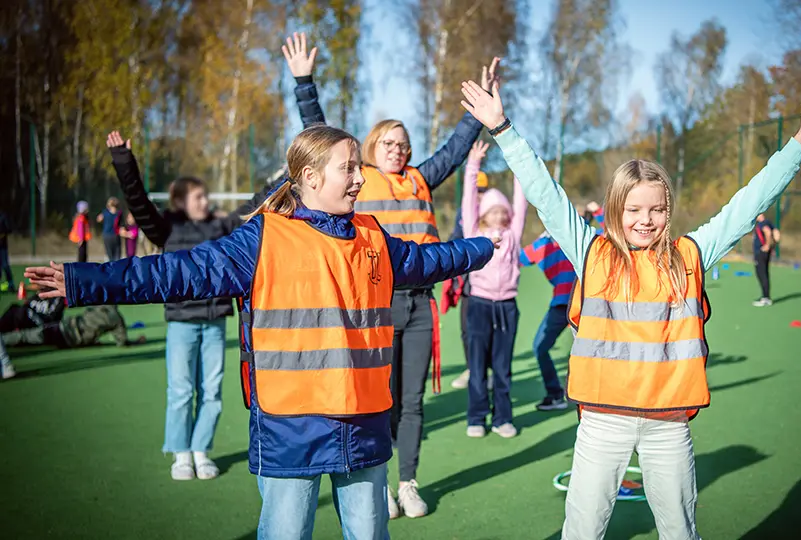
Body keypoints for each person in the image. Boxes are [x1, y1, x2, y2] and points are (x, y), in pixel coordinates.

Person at [26, 123, 494, 540]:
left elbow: (429, 260)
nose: (359, 178)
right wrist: (81, 281)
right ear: (311, 177)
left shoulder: (373, 236)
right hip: (292, 427)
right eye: (348, 169)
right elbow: (172, 272)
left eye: (358, 168)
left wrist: (481, 247)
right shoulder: (263, 238)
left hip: (366, 424)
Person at [461, 74, 801, 539]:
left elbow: (745, 205)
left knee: (679, 531)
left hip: (668, 428)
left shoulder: (689, 256)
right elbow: (545, 192)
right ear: (616, 210)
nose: (645, 220)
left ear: (668, 211)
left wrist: (798, 145)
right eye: (634, 210)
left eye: (656, 210)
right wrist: (502, 129)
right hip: (602, 424)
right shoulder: (592, 251)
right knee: (581, 532)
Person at [282, 32, 496, 518]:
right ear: (372, 148)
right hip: (373, 304)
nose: (397, 150)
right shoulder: (357, 178)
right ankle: (376, 484)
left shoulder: (421, 177)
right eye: (388, 143)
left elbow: (457, 146)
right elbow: (318, 134)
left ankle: (408, 482)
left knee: (414, 400)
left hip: (420, 303)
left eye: (403, 144)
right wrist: (303, 82)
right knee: (381, 400)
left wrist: (478, 113)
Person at [106, 129, 269, 481]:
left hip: (214, 324)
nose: (205, 201)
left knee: (211, 391)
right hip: (181, 323)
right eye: (198, 197)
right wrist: (124, 161)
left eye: (205, 196)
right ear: (180, 201)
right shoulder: (166, 229)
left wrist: (288, 174)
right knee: (181, 390)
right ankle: (181, 454)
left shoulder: (222, 227)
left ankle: (201, 451)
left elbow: (255, 204)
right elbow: (138, 202)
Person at [461, 140, 527, 438]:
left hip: (507, 307)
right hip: (479, 305)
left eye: (504, 211)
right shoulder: (473, 232)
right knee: (477, 367)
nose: (500, 215)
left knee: (502, 368)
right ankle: (476, 417)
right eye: (494, 211)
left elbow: (521, 201)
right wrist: (473, 166)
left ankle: (502, 418)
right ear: (483, 213)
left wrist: (518, 168)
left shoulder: (513, 235)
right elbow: (467, 202)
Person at [519, 202, 604, 412]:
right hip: (561, 305)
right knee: (540, 347)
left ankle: (598, 399)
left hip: (588, 306)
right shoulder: (552, 239)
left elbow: (615, 235)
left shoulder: (592, 238)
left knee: (594, 353)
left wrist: (598, 212)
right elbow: (523, 257)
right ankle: (555, 394)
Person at [449, 169, 490, 391]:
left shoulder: (494, 211)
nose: (479, 195)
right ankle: (472, 368)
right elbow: (455, 237)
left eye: (482, 191)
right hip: (467, 282)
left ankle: (487, 370)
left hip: (489, 283)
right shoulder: (462, 212)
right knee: (466, 329)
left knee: (488, 331)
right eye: (475, 190)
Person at [2, 305, 146, 349]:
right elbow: (122, 343)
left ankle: (3, 341)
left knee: (27, 336)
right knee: (28, 338)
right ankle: (3, 342)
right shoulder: (117, 319)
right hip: (71, 338)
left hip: (63, 325)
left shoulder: (98, 305)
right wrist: (137, 342)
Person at [0, 289, 66, 333]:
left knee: (23, 311)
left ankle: (14, 330)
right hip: (30, 318)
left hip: (43, 322)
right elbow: (26, 304)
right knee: (14, 308)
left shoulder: (57, 298)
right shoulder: (36, 296)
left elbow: (53, 317)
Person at [752, 212, 776, 307]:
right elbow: (776, 234)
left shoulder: (762, 224)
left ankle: (765, 298)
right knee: (764, 273)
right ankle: (766, 296)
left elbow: (768, 232)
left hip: (761, 253)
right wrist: (772, 246)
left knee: (761, 273)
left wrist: (767, 245)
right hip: (765, 252)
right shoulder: (768, 222)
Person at [97, 197, 123, 262]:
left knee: (109, 254)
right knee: (117, 254)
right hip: (115, 235)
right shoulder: (119, 213)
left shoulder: (105, 212)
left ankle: (110, 268)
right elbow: (121, 225)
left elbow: (99, 219)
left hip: (106, 235)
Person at [0, 210, 13, 292]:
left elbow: (9, 229)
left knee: (5, 265)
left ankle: (11, 284)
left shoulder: (3, 217)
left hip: (2, 246)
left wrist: (3, 234)